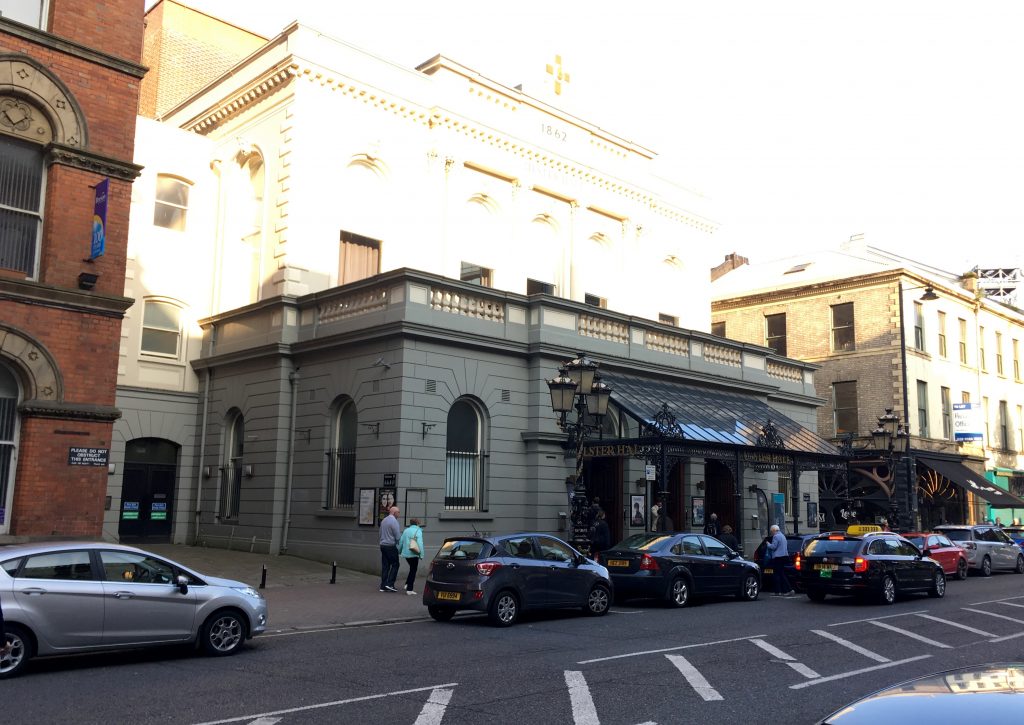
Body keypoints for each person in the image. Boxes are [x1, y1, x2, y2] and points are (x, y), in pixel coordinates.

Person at [397, 517, 425, 595]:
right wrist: (421, 554)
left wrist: (399, 551)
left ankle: (407, 584)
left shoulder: (406, 530)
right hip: (414, 553)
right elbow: (420, 543)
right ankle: (410, 589)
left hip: (406, 554)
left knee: (412, 569)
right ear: (417, 523)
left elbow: (401, 542)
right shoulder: (418, 531)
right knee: (413, 570)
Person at [765, 524, 794, 597]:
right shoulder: (783, 536)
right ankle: (788, 590)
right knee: (782, 574)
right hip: (784, 556)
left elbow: (773, 547)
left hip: (778, 557)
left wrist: (768, 544)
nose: (771, 533)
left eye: (771, 531)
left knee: (777, 574)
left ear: (774, 530)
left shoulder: (776, 536)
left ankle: (779, 591)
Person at [378, 505, 401, 592]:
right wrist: (399, 544)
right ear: (394, 513)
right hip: (390, 546)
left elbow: (380, 533)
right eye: (398, 512)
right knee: (395, 564)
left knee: (385, 565)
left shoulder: (384, 520)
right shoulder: (394, 521)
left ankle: (383, 585)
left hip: (383, 545)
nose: (399, 514)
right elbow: (397, 536)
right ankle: (390, 584)